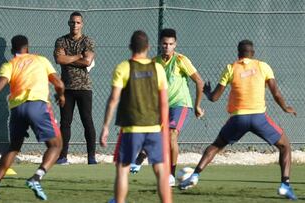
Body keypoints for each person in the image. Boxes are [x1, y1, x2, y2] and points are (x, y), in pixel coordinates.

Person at [179, 40, 297, 200]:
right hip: (258, 118)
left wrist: (207, 92)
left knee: (216, 146)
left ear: (238, 53)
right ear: (253, 53)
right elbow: (276, 92)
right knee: (285, 146)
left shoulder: (231, 68)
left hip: (238, 118)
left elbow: (214, 97)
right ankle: (285, 185)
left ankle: (195, 176)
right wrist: (285, 107)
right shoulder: (263, 66)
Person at [0, 35, 65, 201]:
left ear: (11, 50)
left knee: (13, 148)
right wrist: (61, 96)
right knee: (56, 145)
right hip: (38, 106)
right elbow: (59, 83)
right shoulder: (41, 60)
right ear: (28, 48)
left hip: (17, 109)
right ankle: (36, 178)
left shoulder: (9, 65)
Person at [100, 30, 172, 203]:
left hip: (131, 129)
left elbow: (113, 99)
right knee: (161, 171)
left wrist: (106, 126)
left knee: (123, 169)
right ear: (148, 47)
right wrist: (164, 128)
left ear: (130, 47)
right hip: (155, 128)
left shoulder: (123, 67)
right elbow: (164, 103)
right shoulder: (158, 68)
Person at [131, 28, 204, 187]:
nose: (167, 47)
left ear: (175, 44)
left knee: (171, 135)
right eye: (165, 44)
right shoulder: (154, 62)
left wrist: (197, 105)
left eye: (171, 44)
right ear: (160, 44)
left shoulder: (181, 60)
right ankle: (141, 156)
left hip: (180, 104)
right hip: (161, 106)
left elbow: (199, 82)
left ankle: (170, 174)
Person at [54, 11, 97, 165]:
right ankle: (63, 157)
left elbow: (87, 62)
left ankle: (91, 157)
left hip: (84, 88)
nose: (75, 25)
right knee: (65, 123)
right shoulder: (61, 41)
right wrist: (78, 56)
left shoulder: (88, 41)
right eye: (73, 22)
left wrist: (68, 59)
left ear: (82, 24)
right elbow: (59, 59)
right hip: (66, 89)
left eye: (78, 22)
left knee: (87, 121)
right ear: (69, 23)